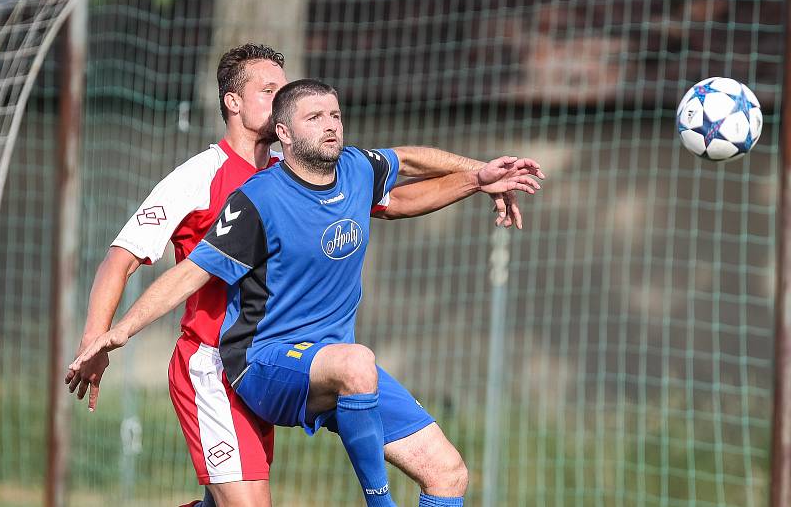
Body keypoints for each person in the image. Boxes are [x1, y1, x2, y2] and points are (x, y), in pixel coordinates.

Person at [65, 47, 543, 507]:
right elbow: (125, 258)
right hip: (219, 363)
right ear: (234, 102)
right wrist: (99, 339)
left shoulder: (308, 166)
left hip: (306, 356)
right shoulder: (205, 178)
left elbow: (393, 194)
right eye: (269, 88)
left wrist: (477, 174)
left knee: (445, 469)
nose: (287, 97)